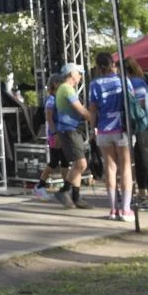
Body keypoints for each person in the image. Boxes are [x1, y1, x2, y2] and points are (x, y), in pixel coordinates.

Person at [89, 52, 134, 221]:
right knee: (125, 167)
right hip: (122, 128)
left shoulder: (94, 84)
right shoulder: (123, 81)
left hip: (103, 129)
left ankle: (113, 208)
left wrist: (92, 130)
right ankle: (126, 209)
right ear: (113, 64)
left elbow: (93, 109)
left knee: (110, 167)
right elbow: (132, 103)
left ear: (98, 66)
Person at [53, 62, 94, 209]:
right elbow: (81, 110)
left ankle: (76, 197)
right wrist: (95, 119)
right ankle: (63, 191)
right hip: (69, 130)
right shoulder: (67, 89)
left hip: (69, 129)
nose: (81, 77)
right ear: (71, 74)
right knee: (81, 164)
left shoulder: (65, 89)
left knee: (77, 164)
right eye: (79, 73)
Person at [125, 57, 148, 211]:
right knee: (139, 159)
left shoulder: (136, 83)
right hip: (141, 126)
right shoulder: (137, 81)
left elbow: (141, 103)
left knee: (145, 160)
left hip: (145, 125)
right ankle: (142, 193)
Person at [32, 73, 69, 201]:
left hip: (60, 133)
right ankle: (40, 186)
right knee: (54, 162)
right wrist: (55, 133)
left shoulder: (58, 98)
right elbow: (49, 118)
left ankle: (66, 188)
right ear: (55, 84)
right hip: (55, 136)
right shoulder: (51, 100)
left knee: (64, 161)